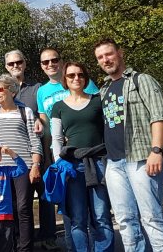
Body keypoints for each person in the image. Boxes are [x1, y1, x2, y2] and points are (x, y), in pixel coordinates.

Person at [94, 39, 163, 252]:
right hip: (114, 162)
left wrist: (156, 150)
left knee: (152, 217)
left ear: (120, 53)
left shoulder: (142, 80)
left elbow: (159, 116)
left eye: (109, 54)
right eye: (100, 57)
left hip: (141, 158)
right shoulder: (104, 88)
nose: (105, 60)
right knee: (125, 220)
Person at [36, 47, 98, 251]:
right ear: (41, 66)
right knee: (72, 213)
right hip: (63, 157)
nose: (50, 64)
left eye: (54, 60)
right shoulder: (42, 91)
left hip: (91, 154)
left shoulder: (82, 82)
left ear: (60, 61)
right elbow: (46, 125)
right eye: (45, 62)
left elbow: (95, 111)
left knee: (97, 212)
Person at [50, 62, 114, 252]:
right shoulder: (58, 107)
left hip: (99, 162)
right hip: (72, 166)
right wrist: (59, 164)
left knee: (101, 216)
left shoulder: (98, 100)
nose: (76, 78)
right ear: (65, 80)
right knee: (77, 218)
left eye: (80, 74)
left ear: (85, 78)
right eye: (71, 75)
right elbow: (56, 138)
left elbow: (110, 129)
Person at [0, 74, 43, 252]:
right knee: (8, 210)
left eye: (0, 89)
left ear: (12, 90)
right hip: (0, 170)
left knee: (23, 208)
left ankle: (25, 248)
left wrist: (35, 166)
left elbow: (35, 141)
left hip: (22, 167)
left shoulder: (25, 112)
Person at [4, 49, 57, 250]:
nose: (15, 66)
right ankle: (21, 239)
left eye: (19, 62)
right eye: (11, 64)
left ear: (25, 64)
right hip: (15, 155)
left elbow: (45, 118)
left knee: (44, 196)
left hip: (38, 150)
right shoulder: (2, 90)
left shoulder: (37, 89)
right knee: (19, 200)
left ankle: (49, 237)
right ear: (6, 67)